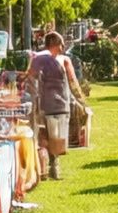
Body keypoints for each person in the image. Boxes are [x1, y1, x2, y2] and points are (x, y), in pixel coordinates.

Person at [28, 31, 85, 179]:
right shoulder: (64, 60)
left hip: (46, 103)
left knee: (46, 136)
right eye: (61, 44)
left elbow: (30, 78)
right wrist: (81, 100)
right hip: (58, 104)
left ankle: (46, 167)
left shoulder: (37, 59)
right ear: (55, 44)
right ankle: (52, 167)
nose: (63, 47)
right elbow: (73, 82)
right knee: (56, 137)